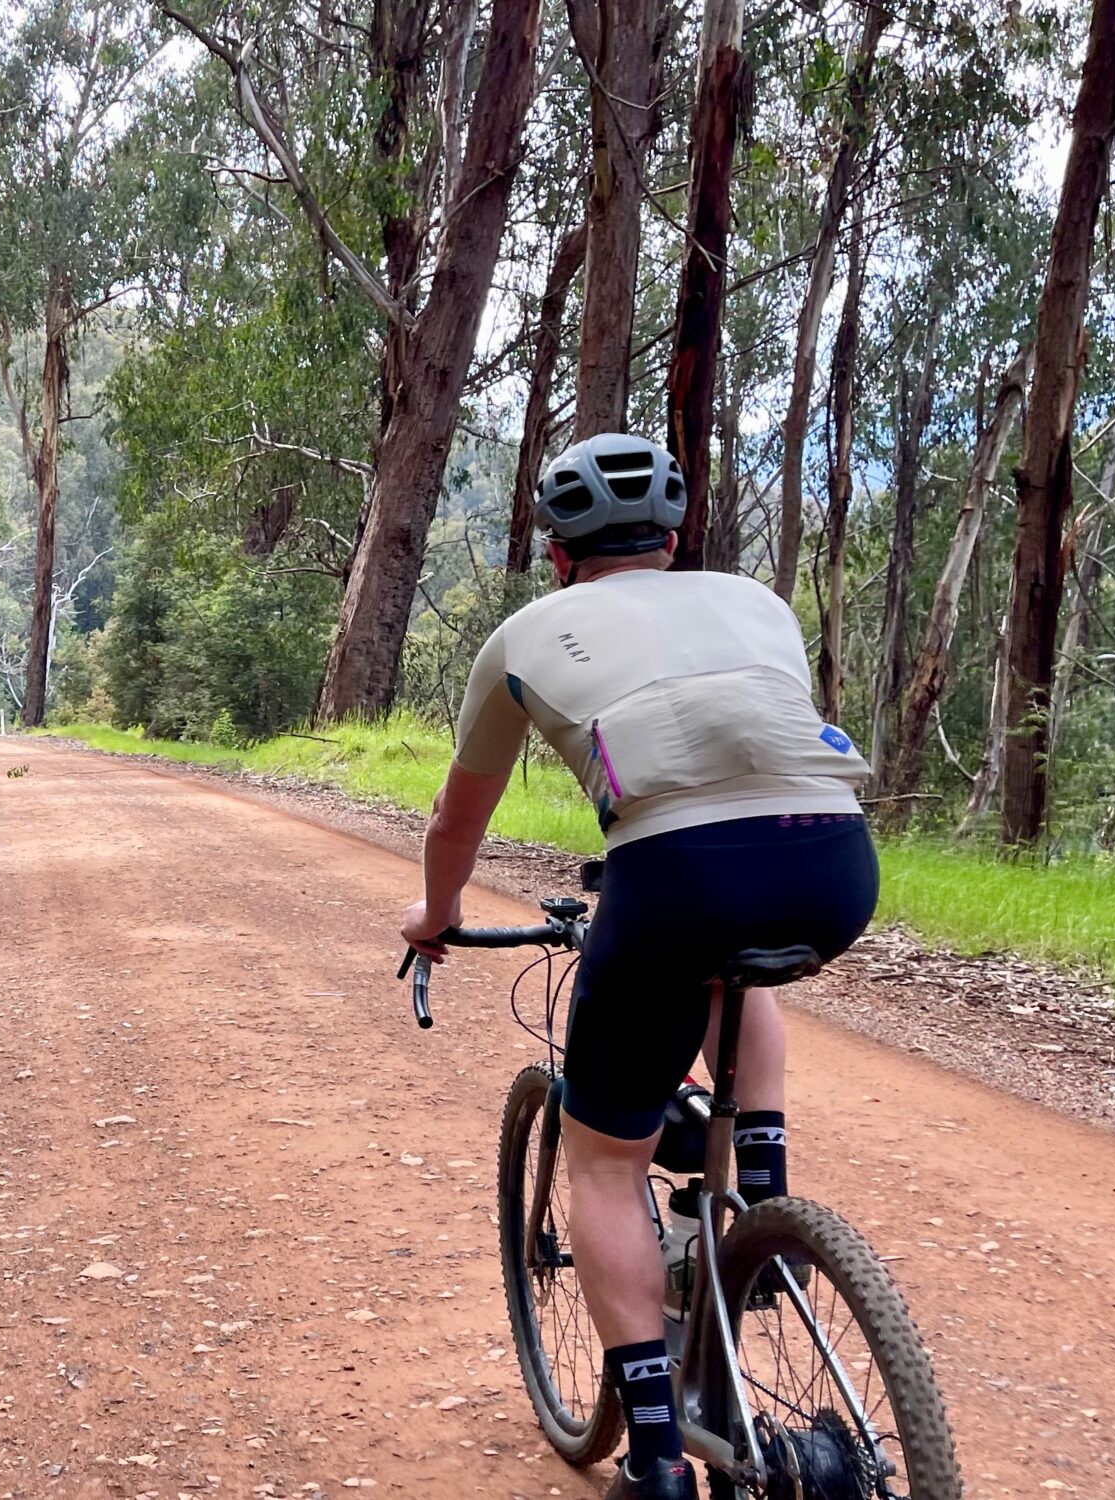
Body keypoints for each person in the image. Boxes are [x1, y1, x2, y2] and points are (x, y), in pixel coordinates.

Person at [399, 433, 878, 1500]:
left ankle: (656, 1461)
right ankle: (765, 1204)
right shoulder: (755, 601)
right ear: (670, 539)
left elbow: (454, 823)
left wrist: (433, 918)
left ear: (557, 555)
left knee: (604, 1163)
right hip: (836, 861)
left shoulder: (524, 637)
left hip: (671, 875)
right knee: (731, 969)